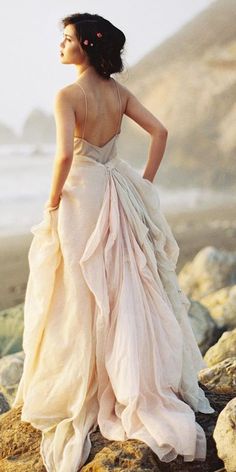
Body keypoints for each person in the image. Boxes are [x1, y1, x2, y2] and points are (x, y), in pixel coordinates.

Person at [12, 12, 215, 472]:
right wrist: (142, 183)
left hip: (82, 196)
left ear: (86, 45)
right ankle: (129, 379)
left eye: (66, 39)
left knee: (79, 290)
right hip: (117, 190)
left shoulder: (67, 95)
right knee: (124, 285)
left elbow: (65, 154)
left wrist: (49, 204)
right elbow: (160, 133)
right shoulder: (118, 93)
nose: (60, 46)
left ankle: (87, 382)